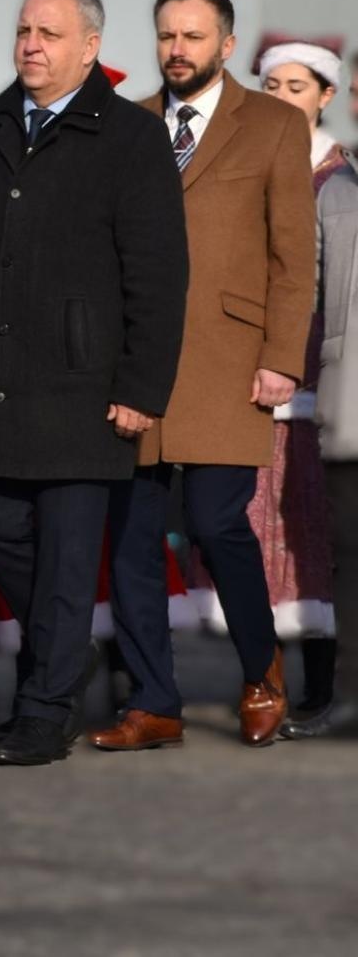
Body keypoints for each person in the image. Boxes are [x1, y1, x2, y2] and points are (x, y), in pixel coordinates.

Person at [0, 0, 189, 766]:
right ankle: (67, 653)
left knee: (64, 560)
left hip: (87, 390)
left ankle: (43, 712)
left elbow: (158, 273)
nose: (30, 44)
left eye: (49, 33)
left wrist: (139, 389)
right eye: (23, 29)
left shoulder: (129, 137)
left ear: (90, 46)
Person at [95, 0, 318, 752]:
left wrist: (282, 358)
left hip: (230, 360)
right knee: (132, 535)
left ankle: (262, 670)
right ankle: (155, 701)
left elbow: (295, 257)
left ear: (226, 44)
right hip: (138, 367)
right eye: (166, 36)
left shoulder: (275, 125)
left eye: (193, 36)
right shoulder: (130, 124)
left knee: (222, 525)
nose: (177, 49)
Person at [186, 41, 343, 731]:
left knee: (311, 534)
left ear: (324, 96)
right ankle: (263, 673)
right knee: (246, 530)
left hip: (315, 383)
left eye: (297, 85)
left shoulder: (337, 183)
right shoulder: (249, 162)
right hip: (246, 377)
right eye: (272, 83)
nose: (282, 95)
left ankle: (319, 680)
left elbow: (334, 295)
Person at [298, 156, 358, 737]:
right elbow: (305, 285)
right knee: (351, 557)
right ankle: (351, 692)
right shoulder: (335, 189)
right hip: (349, 402)